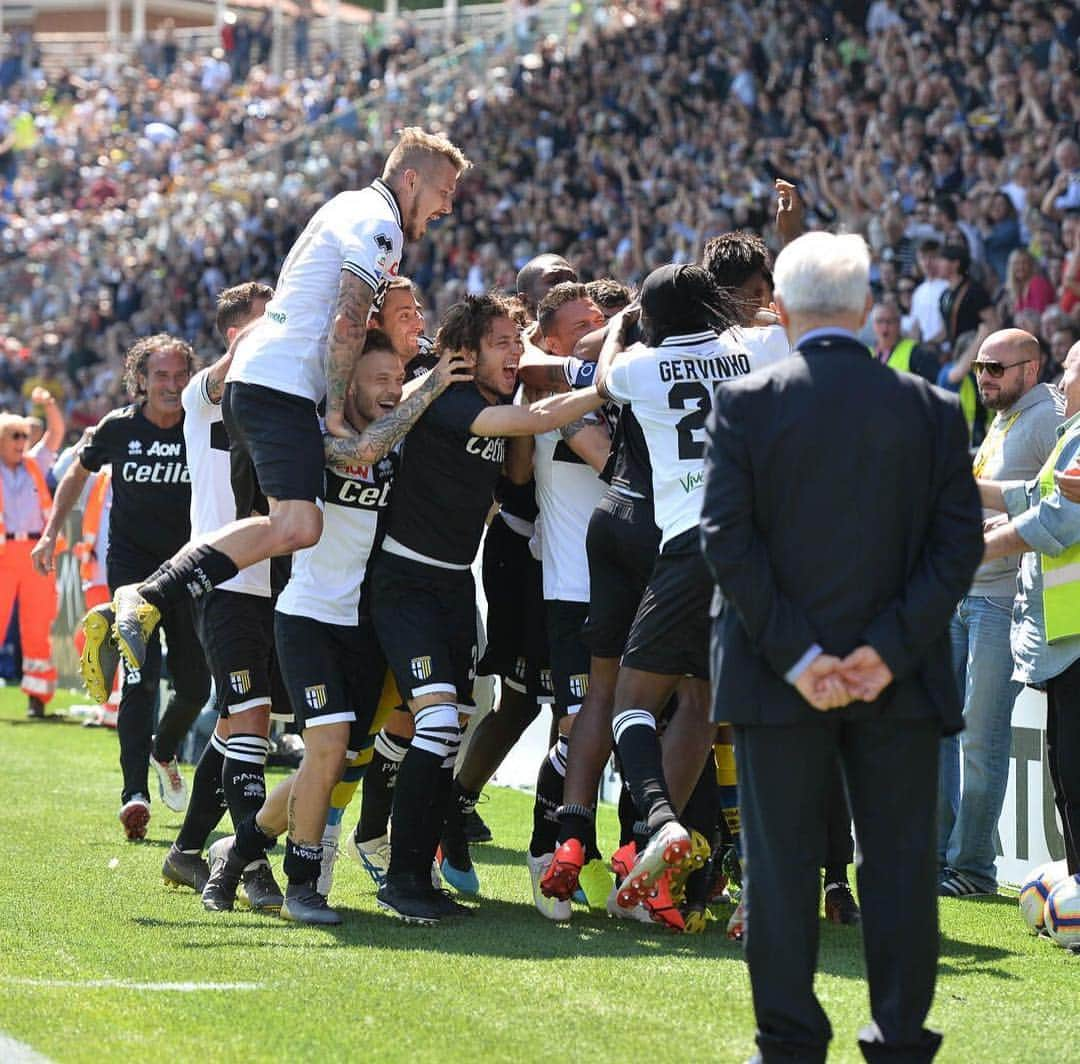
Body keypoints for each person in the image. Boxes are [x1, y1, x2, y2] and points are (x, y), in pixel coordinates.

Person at [701, 231, 983, 1062]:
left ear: (780, 311)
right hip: (898, 678)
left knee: (782, 868)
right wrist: (885, 652)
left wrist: (800, 656)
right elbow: (957, 548)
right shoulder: (930, 407)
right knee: (898, 870)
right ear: (867, 311)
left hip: (772, 672)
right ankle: (898, 1040)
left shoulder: (747, 404)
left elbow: (725, 540)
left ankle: (788, 1042)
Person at [95, 129, 472, 683]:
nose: (448, 204)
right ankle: (148, 597)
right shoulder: (381, 225)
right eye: (444, 190)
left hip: (261, 381)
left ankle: (148, 599)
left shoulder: (345, 205)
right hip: (281, 386)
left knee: (280, 526)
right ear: (410, 178)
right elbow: (347, 318)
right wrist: (338, 410)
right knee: (298, 526)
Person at [370, 293, 605, 925]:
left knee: (447, 729)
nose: (514, 352)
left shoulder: (496, 402)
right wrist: (604, 382)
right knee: (436, 725)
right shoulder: (450, 399)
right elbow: (532, 424)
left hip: (451, 587)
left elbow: (520, 474)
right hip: (406, 581)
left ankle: (410, 866)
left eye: (515, 341)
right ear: (466, 354)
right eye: (501, 342)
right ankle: (396, 873)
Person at [33, 336, 211, 840]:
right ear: (140, 380)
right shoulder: (117, 428)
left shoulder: (202, 424)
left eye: (180, 376)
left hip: (189, 568)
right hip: (132, 573)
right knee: (140, 678)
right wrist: (50, 533)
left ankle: (164, 747)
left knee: (195, 685)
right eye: (161, 376)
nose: (172, 386)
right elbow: (76, 474)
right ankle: (134, 793)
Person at [162, 281, 284, 906]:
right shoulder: (202, 393)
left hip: (277, 580)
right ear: (239, 335)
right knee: (252, 726)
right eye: (268, 324)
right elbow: (224, 374)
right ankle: (249, 859)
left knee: (240, 723)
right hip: (224, 579)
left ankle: (185, 852)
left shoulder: (277, 397)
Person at [939, 329, 1063, 898]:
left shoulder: (1045, 416)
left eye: (995, 367)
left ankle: (971, 868)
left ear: (1030, 369)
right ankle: (940, 855)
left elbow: (1045, 498)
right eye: (979, 368)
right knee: (943, 729)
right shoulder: (1008, 413)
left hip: (1000, 598)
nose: (983, 376)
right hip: (966, 592)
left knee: (980, 739)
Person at [982, 338, 1080, 880]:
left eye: (1068, 372)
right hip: (1063, 635)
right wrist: (980, 497)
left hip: (1075, 634)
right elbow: (1037, 498)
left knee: (1074, 772)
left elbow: (1058, 521)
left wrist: (986, 546)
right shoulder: (1071, 436)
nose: (1060, 385)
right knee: (1065, 774)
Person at [0, 403, 61, 718]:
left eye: (24, 435)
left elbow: (56, 434)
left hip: (36, 553)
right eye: (15, 435)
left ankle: (37, 699)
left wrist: (48, 405)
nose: (21, 441)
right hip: (2, 554)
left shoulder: (34, 463)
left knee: (37, 626)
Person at [869, 302, 940, 382]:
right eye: (880, 321)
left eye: (890, 321)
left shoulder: (917, 353)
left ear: (899, 323)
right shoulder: (866, 353)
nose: (885, 327)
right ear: (873, 324)